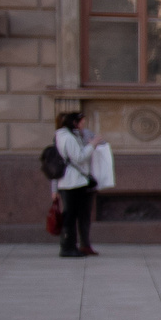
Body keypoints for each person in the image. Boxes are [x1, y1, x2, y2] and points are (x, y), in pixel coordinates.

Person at [52, 108, 99, 259]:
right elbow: (79, 158)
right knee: (71, 216)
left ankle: (70, 246)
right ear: (74, 122)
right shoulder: (68, 138)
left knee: (70, 215)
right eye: (81, 122)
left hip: (70, 181)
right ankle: (68, 247)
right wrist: (92, 145)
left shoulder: (61, 136)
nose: (83, 125)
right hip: (73, 182)